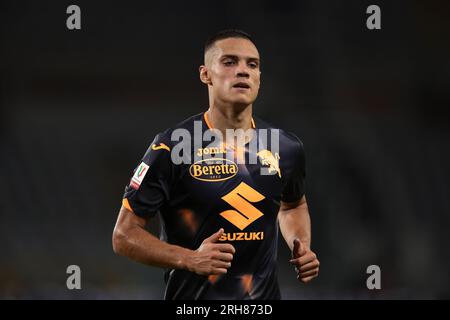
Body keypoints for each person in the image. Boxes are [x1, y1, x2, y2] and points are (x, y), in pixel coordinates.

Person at [112, 29, 319, 299]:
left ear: (259, 78)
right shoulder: (171, 147)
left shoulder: (287, 148)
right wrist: (189, 259)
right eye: (230, 62)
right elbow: (124, 235)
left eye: (252, 64)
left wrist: (300, 243)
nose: (243, 71)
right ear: (205, 74)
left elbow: (294, 205)